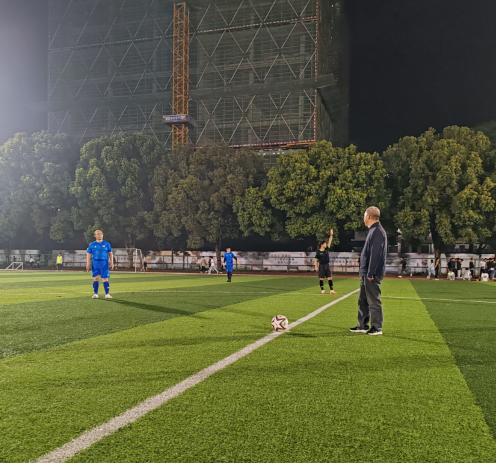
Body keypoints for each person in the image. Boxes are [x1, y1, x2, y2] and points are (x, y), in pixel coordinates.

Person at [350, 207, 387, 336]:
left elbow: (376, 253)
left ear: (369, 217)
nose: (363, 218)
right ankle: (362, 325)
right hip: (366, 272)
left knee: (373, 300)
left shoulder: (377, 231)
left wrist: (371, 272)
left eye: (364, 215)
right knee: (363, 300)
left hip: (371, 273)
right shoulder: (373, 230)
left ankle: (377, 327)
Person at [86, 230, 114, 299]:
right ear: (95, 235)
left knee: (105, 278)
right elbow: (88, 254)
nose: (100, 235)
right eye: (98, 234)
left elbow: (110, 253)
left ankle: (107, 294)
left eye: (101, 233)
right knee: (96, 278)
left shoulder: (107, 244)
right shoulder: (92, 244)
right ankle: (95, 294)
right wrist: (88, 263)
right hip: (95, 263)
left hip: (104, 262)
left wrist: (112, 262)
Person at [314, 229, 337, 295]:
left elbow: (330, 241)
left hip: (327, 265)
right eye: (325, 244)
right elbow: (315, 259)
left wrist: (331, 234)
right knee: (321, 278)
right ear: (322, 245)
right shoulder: (318, 252)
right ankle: (322, 290)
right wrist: (316, 267)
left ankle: (331, 290)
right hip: (321, 266)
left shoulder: (326, 249)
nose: (326, 244)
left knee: (330, 277)